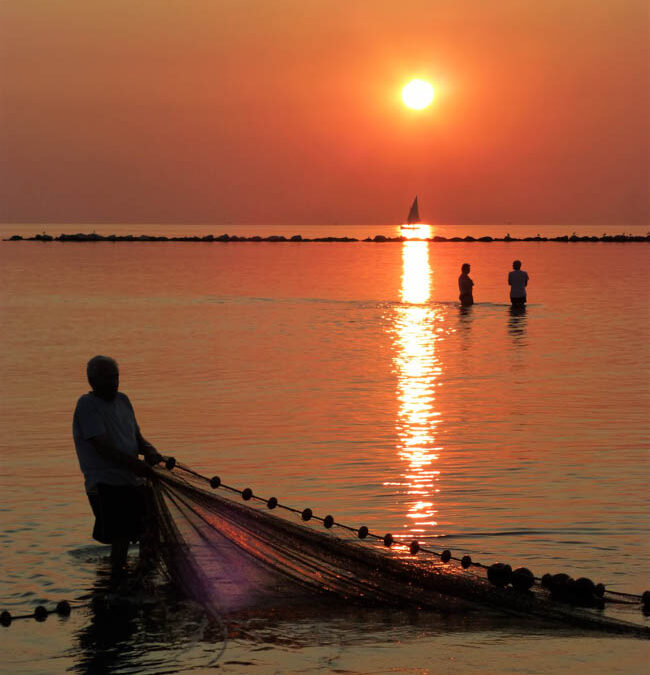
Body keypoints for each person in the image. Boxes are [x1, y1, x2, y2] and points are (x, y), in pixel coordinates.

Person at [73, 356, 163, 574]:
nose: (114, 382)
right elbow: (103, 448)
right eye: (107, 378)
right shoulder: (87, 405)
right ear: (92, 380)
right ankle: (117, 582)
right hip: (106, 484)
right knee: (120, 537)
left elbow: (137, 438)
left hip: (134, 480)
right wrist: (136, 466)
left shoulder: (123, 400)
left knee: (150, 531)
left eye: (116, 377)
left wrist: (150, 451)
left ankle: (147, 575)